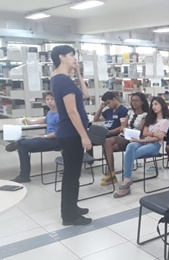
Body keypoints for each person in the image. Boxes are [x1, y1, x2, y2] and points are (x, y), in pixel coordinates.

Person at [50, 45, 92, 226]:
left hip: (68, 132)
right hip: (71, 133)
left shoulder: (61, 78)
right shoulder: (63, 80)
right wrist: (84, 135)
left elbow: (85, 95)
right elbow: (72, 111)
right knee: (71, 175)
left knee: (72, 174)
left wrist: (79, 73)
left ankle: (72, 207)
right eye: (71, 55)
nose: (74, 58)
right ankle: (69, 215)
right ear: (61, 57)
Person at [113, 97, 169, 198]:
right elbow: (144, 132)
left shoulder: (165, 121)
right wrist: (154, 134)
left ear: (162, 105)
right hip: (144, 141)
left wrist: (145, 138)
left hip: (154, 146)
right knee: (130, 146)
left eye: (156, 104)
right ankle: (127, 179)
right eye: (152, 105)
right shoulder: (150, 118)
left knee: (131, 154)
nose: (153, 107)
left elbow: (159, 138)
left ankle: (126, 181)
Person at [7, 93, 61, 183]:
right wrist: (31, 122)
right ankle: (24, 176)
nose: (50, 101)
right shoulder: (50, 113)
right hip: (48, 139)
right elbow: (44, 120)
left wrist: (44, 136)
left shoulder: (60, 114)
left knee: (23, 143)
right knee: (22, 147)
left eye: (52, 99)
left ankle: (19, 142)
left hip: (55, 141)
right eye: (47, 99)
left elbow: (59, 132)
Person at [100, 93, 149, 186]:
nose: (134, 103)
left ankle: (111, 173)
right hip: (124, 136)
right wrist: (124, 129)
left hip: (134, 139)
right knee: (107, 145)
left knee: (107, 143)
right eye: (133, 100)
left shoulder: (145, 115)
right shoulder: (129, 112)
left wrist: (126, 130)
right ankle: (111, 173)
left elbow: (140, 131)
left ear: (142, 102)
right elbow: (123, 126)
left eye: (136, 100)